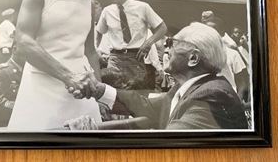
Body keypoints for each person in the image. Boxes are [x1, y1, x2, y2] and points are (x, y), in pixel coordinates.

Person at [7, 0, 112, 131]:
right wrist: (69, 77)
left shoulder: (89, 3)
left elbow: (90, 51)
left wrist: (98, 91)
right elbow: (23, 42)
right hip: (42, 87)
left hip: (82, 90)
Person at [66, 22, 248, 130]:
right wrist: (99, 91)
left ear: (193, 58)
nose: (166, 47)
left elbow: (167, 144)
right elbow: (148, 106)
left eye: (172, 42)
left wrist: (93, 137)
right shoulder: (193, 87)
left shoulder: (212, 95)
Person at [96, 0, 167, 90]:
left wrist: (148, 43)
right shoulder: (107, 11)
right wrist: (96, 50)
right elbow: (99, 32)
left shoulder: (142, 7)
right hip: (115, 59)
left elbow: (162, 28)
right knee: (113, 95)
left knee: (137, 97)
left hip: (136, 59)